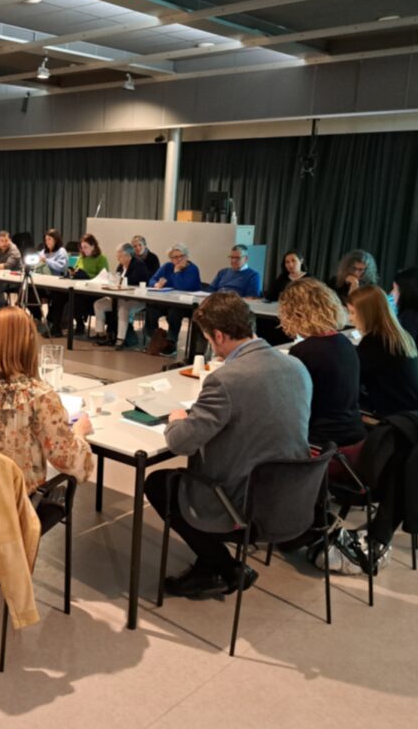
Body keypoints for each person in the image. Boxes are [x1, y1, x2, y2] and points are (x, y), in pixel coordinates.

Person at [143, 292, 311, 598]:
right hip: (293, 495)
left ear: (218, 335)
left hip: (244, 500)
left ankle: (225, 567)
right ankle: (214, 568)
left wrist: (178, 417)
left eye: (208, 338)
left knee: (157, 483)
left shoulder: (227, 379)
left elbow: (180, 443)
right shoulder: (297, 367)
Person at [0, 306, 94, 498]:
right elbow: (70, 462)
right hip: (14, 507)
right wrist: (80, 432)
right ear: (28, 344)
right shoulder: (38, 397)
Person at [278, 278, 365, 448]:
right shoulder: (344, 342)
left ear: (294, 313)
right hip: (355, 437)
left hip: (322, 445)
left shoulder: (304, 352)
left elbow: (293, 408)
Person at [347, 285, 418, 416]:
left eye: (352, 312)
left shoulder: (375, 342)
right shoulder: (399, 335)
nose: (350, 318)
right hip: (414, 412)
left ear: (367, 313)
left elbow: (352, 378)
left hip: (394, 417)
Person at [145, 243, 202, 357]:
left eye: (180, 256)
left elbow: (183, 287)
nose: (178, 259)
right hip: (168, 300)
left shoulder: (192, 269)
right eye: (174, 257)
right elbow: (152, 280)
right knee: (151, 308)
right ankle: (155, 339)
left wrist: (177, 272)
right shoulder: (167, 266)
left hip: (187, 305)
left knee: (174, 313)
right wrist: (156, 284)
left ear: (187, 256)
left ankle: (171, 344)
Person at [45, 233, 108, 337]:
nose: (84, 250)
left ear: (93, 246)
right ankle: (55, 327)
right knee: (58, 295)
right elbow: (75, 270)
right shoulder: (81, 258)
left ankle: (80, 324)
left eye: (86, 247)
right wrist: (73, 272)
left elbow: (103, 277)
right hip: (78, 287)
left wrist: (86, 275)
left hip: (91, 291)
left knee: (75, 298)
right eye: (82, 247)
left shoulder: (101, 258)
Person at [92, 243, 148, 349]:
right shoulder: (121, 266)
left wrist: (117, 281)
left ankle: (120, 339)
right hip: (119, 297)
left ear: (128, 255)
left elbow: (133, 282)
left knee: (123, 308)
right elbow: (117, 280)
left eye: (120, 255)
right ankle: (100, 333)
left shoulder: (139, 265)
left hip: (136, 299)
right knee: (99, 304)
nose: (118, 257)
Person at [25, 229, 68, 323]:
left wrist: (46, 261)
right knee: (28, 293)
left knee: (57, 298)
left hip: (57, 286)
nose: (47, 241)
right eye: (46, 239)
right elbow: (35, 264)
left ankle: (52, 321)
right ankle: (37, 315)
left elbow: (61, 267)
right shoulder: (43, 251)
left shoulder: (61, 251)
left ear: (56, 240)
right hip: (43, 284)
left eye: (49, 239)